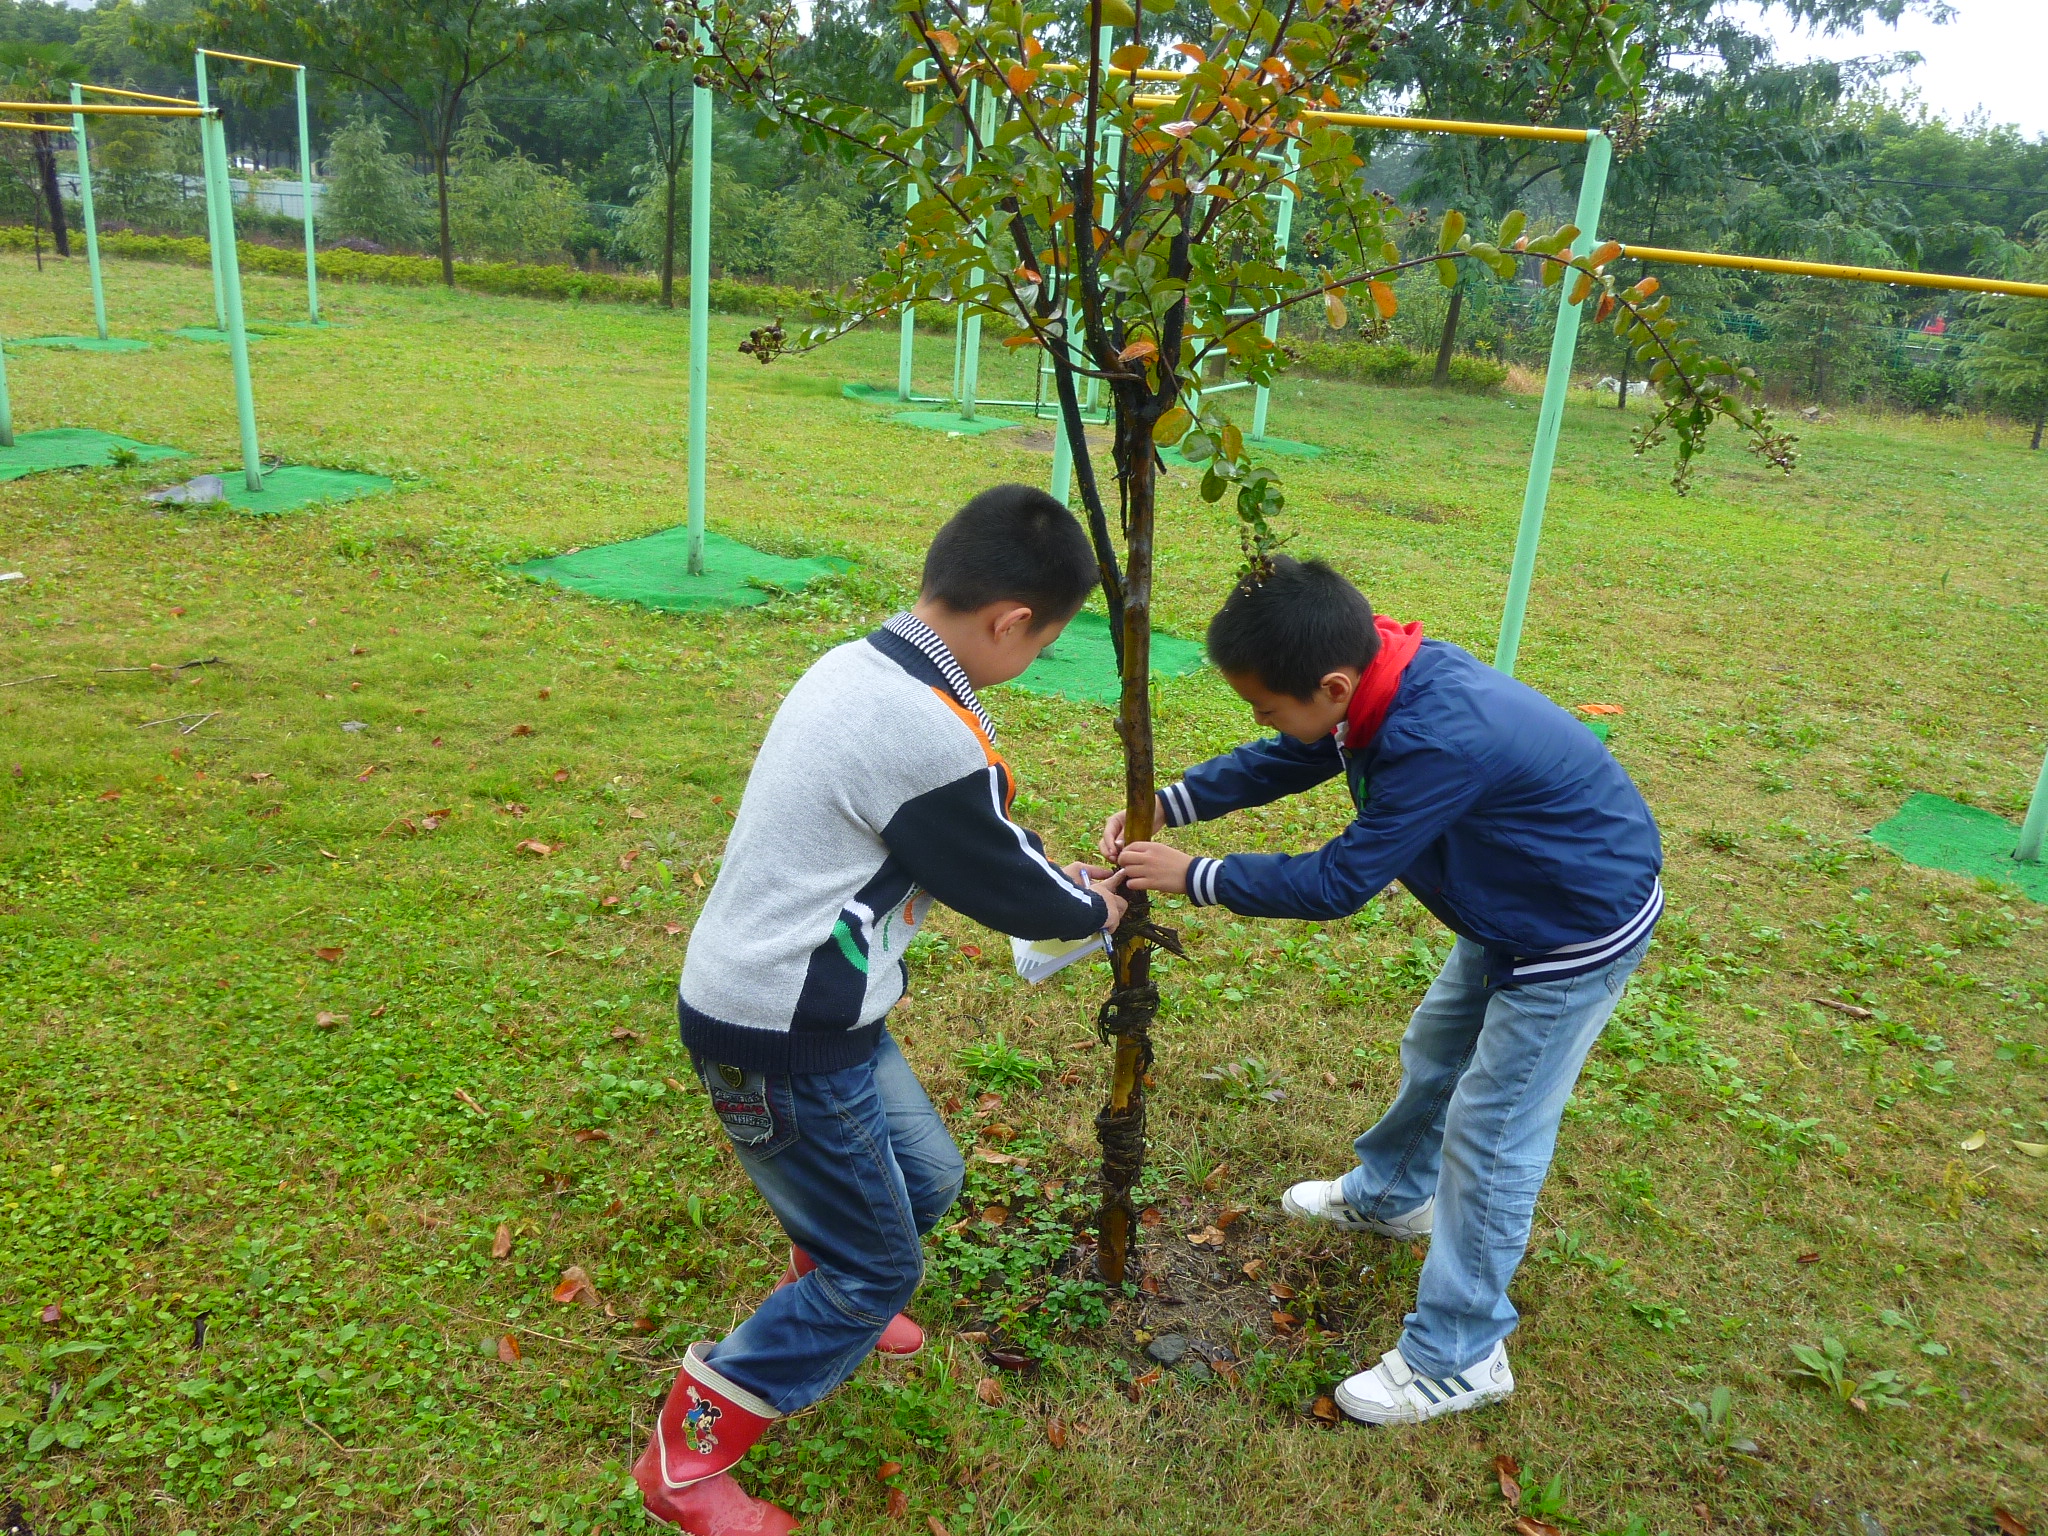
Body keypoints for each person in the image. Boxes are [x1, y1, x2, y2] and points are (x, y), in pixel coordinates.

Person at [637, 485, 1128, 1534]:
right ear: (1009, 623)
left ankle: (837, 1286)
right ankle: (684, 1469)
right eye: (1040, 646)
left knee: (926, 1177)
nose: (1031, 660)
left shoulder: (865, 661)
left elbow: (977, 841)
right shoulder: (919, 726)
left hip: (818, 1007)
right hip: (784, 1033)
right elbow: (1003, 883)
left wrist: (1066, 886)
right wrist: (1100, 906)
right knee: (879, 1262)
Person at [1106, 556, 1661, 1426]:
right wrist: (1175, 801)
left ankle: (1462, 1353)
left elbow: (1337, 884)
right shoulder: (1376, 682)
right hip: (1510, 902)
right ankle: (1392, 1195)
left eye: (1265, 705)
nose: (1263, 720)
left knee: (1495, 1131)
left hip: (1570, 928)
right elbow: (1289, 755)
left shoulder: (1437, 734)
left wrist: (1197, 875)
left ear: (1331, 682)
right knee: (1439, 1046)